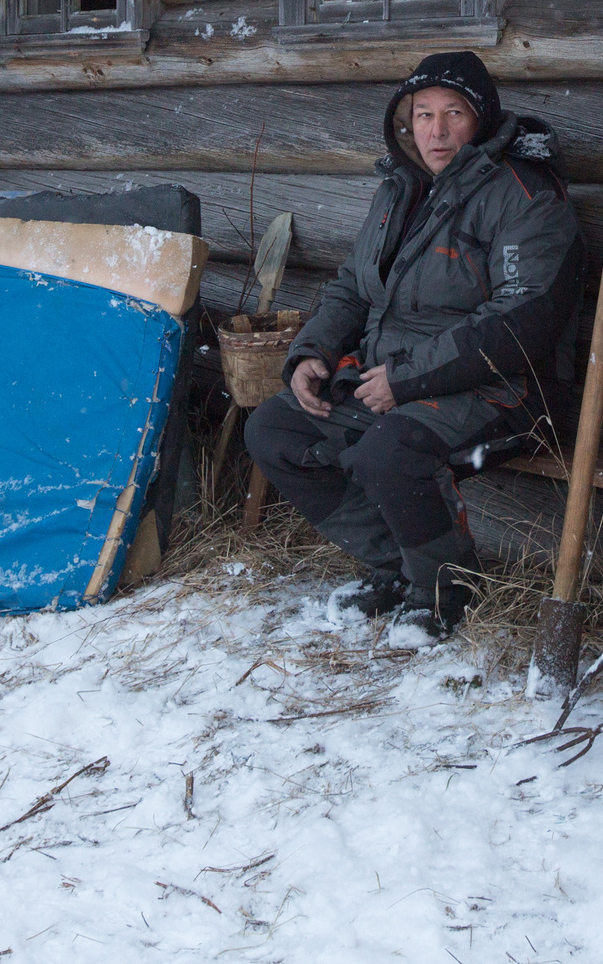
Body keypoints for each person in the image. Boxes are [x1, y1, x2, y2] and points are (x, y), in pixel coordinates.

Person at [243, 51, 583, 643]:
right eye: (423, 114)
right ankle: (398, 568)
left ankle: (447, 590)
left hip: (503, 389)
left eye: (454, 113)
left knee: (388, 451)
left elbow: (520, 323)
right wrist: (311, 353)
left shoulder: (525, 198)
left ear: (483, 121)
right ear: (405, 124)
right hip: (394, 378)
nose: (437, 130)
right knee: (276, 430)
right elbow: (353, 285)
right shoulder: (400, 189)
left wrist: (407, 379)